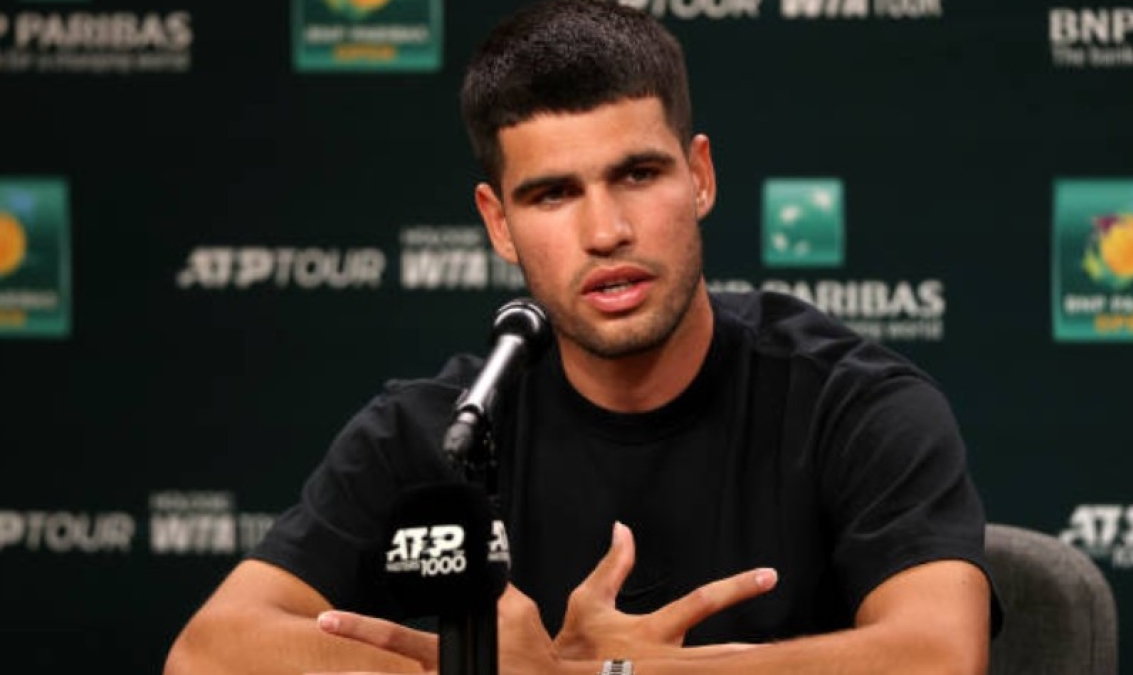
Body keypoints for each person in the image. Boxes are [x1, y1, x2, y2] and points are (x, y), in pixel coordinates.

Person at [164, 1, 998, 673]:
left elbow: (937, 654)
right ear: (498, 222)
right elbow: (209, 650)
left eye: (638, 174)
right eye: (554, 194)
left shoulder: (851, 400)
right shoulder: (446, 427)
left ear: (699, 175)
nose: (606, 231)